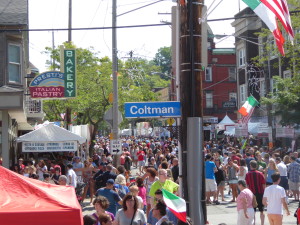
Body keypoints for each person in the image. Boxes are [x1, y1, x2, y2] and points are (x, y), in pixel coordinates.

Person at [245, 160, 266, 225]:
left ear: (250, 166)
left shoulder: (248, 174)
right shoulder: (260, 173)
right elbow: (263, 184)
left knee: (253, 210)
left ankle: (253, 223)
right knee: (261, 210)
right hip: (260, 193)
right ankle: (262, 223)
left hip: (252, 194)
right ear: (256, 166)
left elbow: (247, 185)